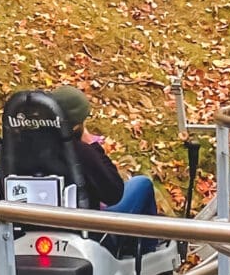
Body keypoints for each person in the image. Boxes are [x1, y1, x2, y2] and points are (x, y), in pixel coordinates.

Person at [53, 88, 157, 216]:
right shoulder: (81, 152)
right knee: (142, 184)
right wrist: (92, 145)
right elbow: (114, 194)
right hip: (86, 227)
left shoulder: (26, 147)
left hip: (34, 223)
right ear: (75, 126)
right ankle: (149, 234)